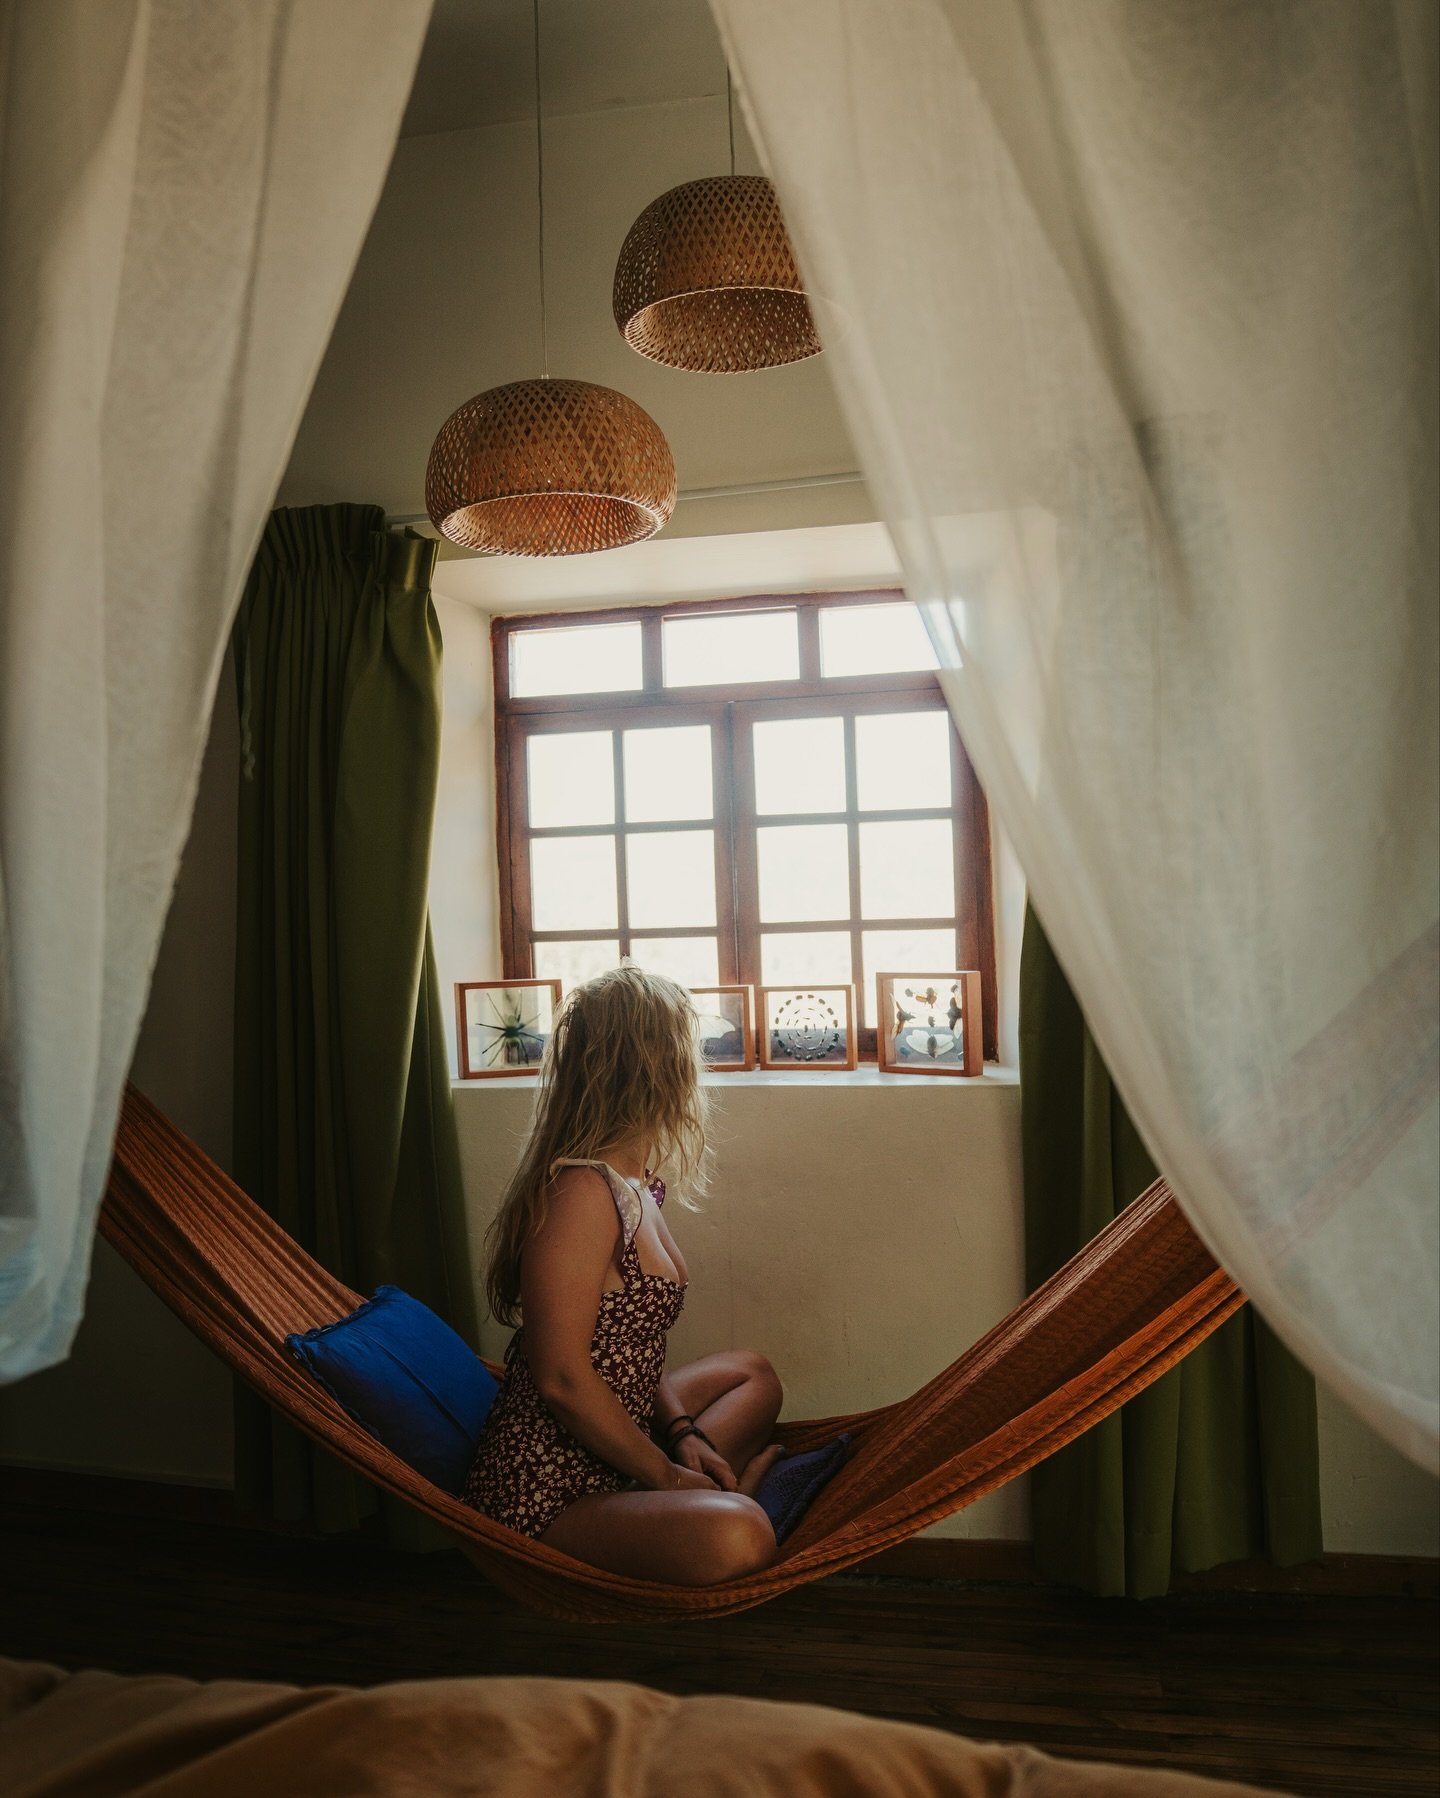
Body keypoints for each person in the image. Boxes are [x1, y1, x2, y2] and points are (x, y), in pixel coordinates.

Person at [462, 964, 785, 1585]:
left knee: (754, 1374)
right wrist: (665, 1474)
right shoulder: (580, 1193)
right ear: (654, 1066)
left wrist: (683, 1432)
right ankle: (722, 1500)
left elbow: (634, 1350)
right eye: (687, 1048)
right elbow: (560, 1378)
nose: (697, 1066)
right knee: (741, 1536)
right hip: (552, 1485)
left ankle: (705, 1492)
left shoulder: (632, 1183)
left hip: (624, 1431)